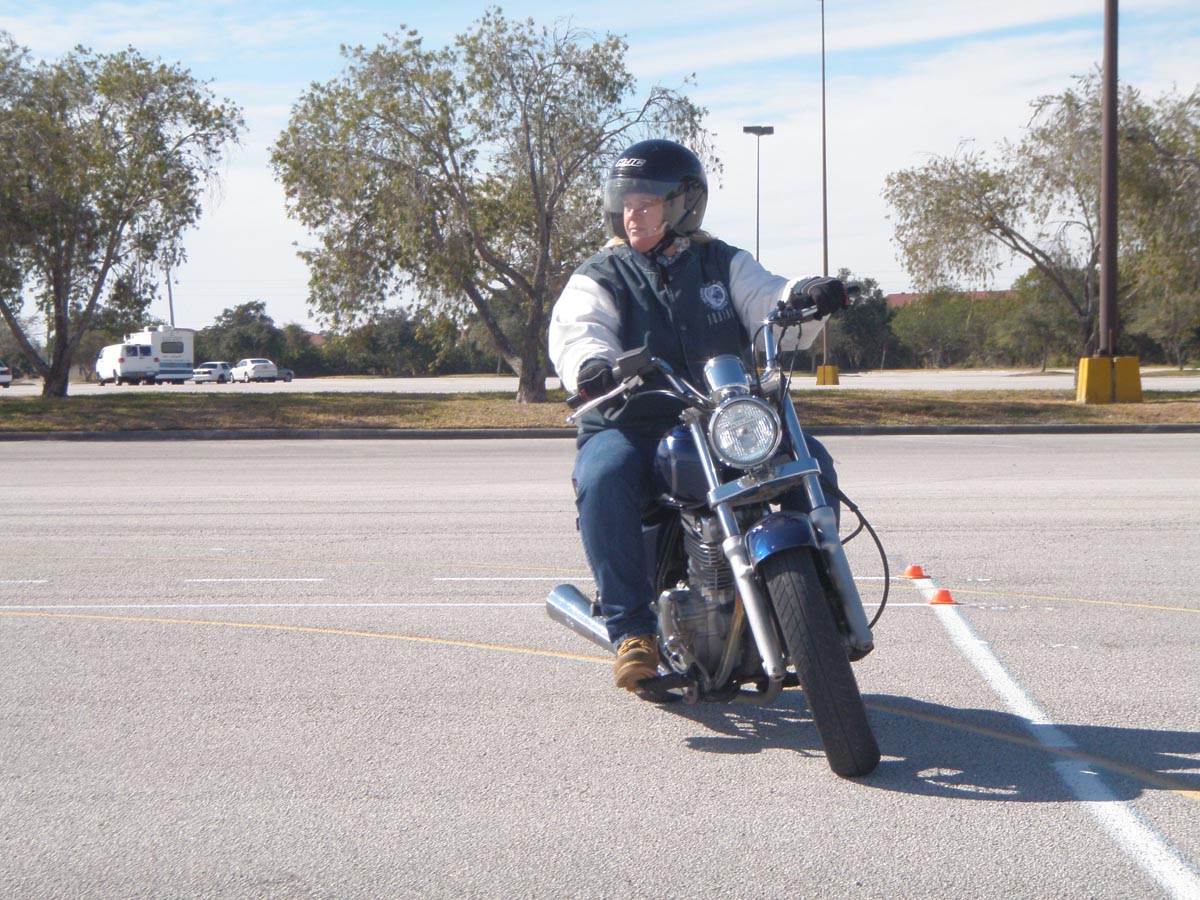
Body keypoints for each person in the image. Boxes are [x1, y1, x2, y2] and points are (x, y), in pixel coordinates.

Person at [547, 139, 849, 693]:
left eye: (647, 203)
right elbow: (579, 329)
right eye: (625, 203)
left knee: (812, 461)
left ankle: (820, 597)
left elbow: (768, 298)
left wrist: (806, 294)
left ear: (684, 205)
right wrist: (592, 365)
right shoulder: (601, 274)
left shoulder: (721, 261)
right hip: (633, 424)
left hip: (724, 420)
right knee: (603, 475)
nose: (633, 215)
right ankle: (632, 631)